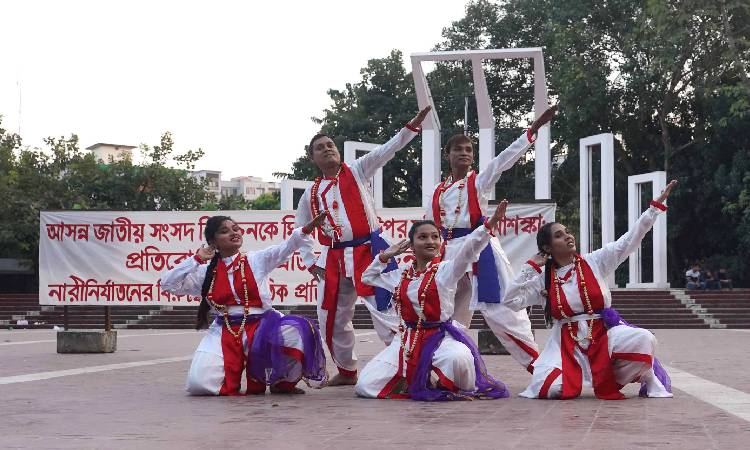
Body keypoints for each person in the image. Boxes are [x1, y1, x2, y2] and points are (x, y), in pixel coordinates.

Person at [502, 181, 679, 400]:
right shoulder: (543, 279)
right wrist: (529, 268)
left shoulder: (594, 261)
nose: (568, 236)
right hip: (565, 345)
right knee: (550, 389)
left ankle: (609, 377)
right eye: (559, 235)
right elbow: (510, 301)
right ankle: (584, 375)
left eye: (567, 232)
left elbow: (628, 242)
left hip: (603, 335)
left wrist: (652, 210)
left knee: (644, 340)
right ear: (547, 248)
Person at [294, 106, 432, 386]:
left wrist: (411, 128)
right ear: (313, 158)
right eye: (320, 147)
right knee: (330, 317)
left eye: (330, 144)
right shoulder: (309, 194)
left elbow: (387, 149)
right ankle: (346, 371)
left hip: (369, 251)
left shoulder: (357, 170)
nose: (327, 149)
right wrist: (310, 262)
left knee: (387, 310)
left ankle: (409, 367)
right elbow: (301, 231)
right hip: (333, 257)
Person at [425, 105, 557, 373]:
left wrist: (532, 131)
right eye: (458, 149)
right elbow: (427, 225)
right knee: (446, 311)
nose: (464, 153)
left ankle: (540, 367)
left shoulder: (478, 181)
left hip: (479, 248)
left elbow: (502, 161)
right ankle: (446, 369)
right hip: (448, 254)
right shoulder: (438, 190)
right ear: (447, 155)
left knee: (502, 310)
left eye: (468, 150)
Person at [355, 201, 512, 401]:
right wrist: (386, 256)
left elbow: (468, 250)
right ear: (411, 246)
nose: (430, 241)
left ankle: (444, 387)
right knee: (365, 385)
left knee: (460, 358)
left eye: (434, 237)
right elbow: (367, 278)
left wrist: (488, 226)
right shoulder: (401, 274)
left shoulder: (446, 270)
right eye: (423, 237)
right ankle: (415, 380)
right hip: (406, 341)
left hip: (439, 337)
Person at [160, 213, 328, 396]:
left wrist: (306, 229)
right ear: (212, 242)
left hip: (262, 326)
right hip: (224, 329)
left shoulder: (256, 260)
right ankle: (228, 376)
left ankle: (281, 382)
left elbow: (285, 247)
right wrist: (196, 260)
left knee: (301, 330)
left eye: (235, 229)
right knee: (199, 385)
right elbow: (168, 284)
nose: (233, 233)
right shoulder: (204, 273)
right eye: (224, 231)